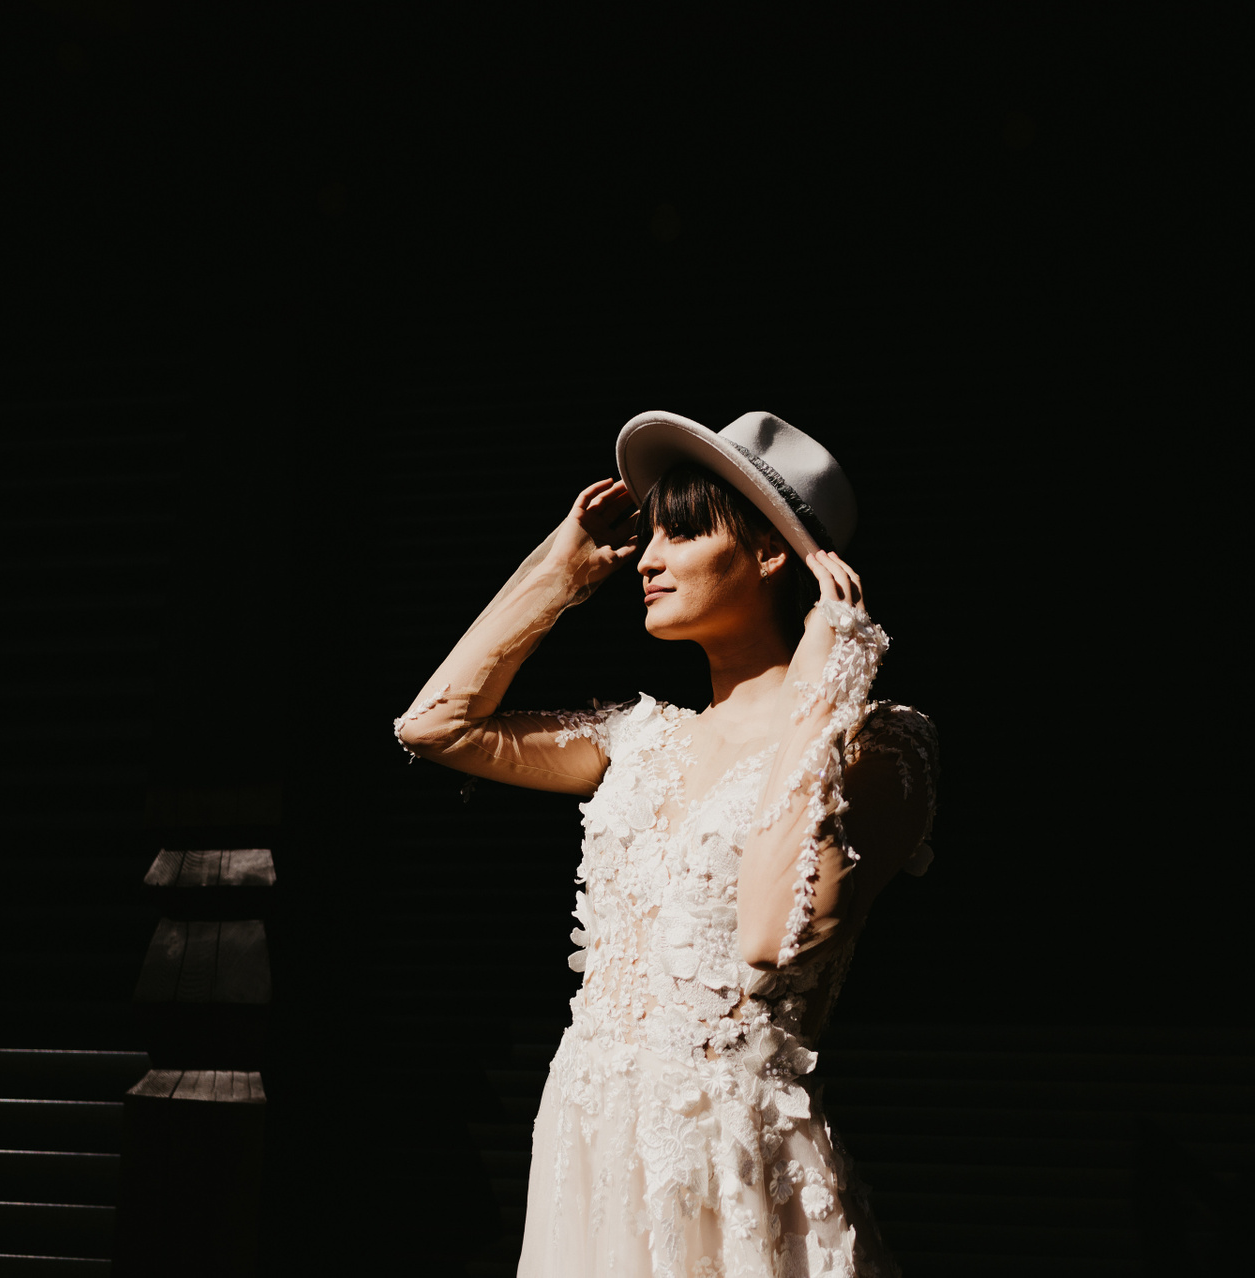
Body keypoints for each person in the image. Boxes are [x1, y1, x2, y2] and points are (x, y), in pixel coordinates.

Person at [395, 411, 939, 1278]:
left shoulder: (876, 742)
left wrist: (823, 684)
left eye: (680, 534)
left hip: (730, 1161)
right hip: (590, 1143)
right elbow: (433, 726)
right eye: (649, 536)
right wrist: (557, 574)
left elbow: (771, 936)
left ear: (771, 552)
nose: (647, 560)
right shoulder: (639, 738)